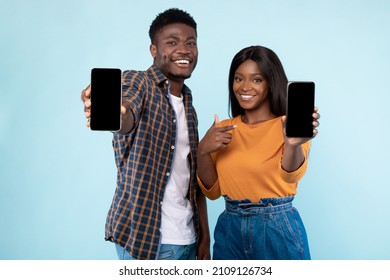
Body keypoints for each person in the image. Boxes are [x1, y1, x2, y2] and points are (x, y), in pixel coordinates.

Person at [81, 8, 210, 260]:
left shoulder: (189, 106)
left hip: (189, 240)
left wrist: (204, 238)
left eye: (191, 43)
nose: (184, 50)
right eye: (172, 42)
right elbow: (126, 114)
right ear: (154, 50)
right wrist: (117, 115)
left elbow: (192, 181)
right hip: (149, 243)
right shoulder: (138, 82)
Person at [196, 45, 320, 260]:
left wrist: (292, 144)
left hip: (276, 226)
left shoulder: (287, 125)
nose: (245, 87)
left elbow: (290, 175)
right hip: (230, 226)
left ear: (271, 84)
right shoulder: (224, 127)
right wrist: (203, 150)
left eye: (256, 79)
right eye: (238, 78)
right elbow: (212, 193)